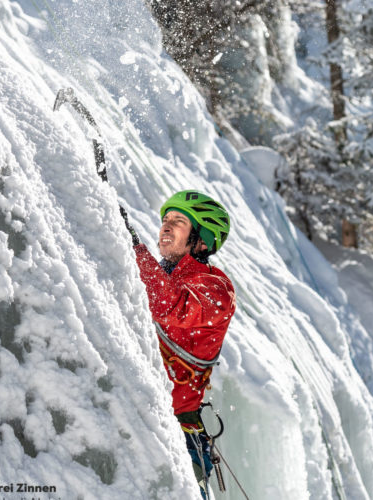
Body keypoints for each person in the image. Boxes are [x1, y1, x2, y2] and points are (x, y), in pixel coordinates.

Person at [132, 190, 235, 498]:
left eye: (178, 221)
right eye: (165, 219)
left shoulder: (217, 288)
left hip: (178, 435)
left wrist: (131, 247)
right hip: (146, 414)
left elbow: (170, 306)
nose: (166, 225)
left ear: (201, 240)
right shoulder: (159, 275)